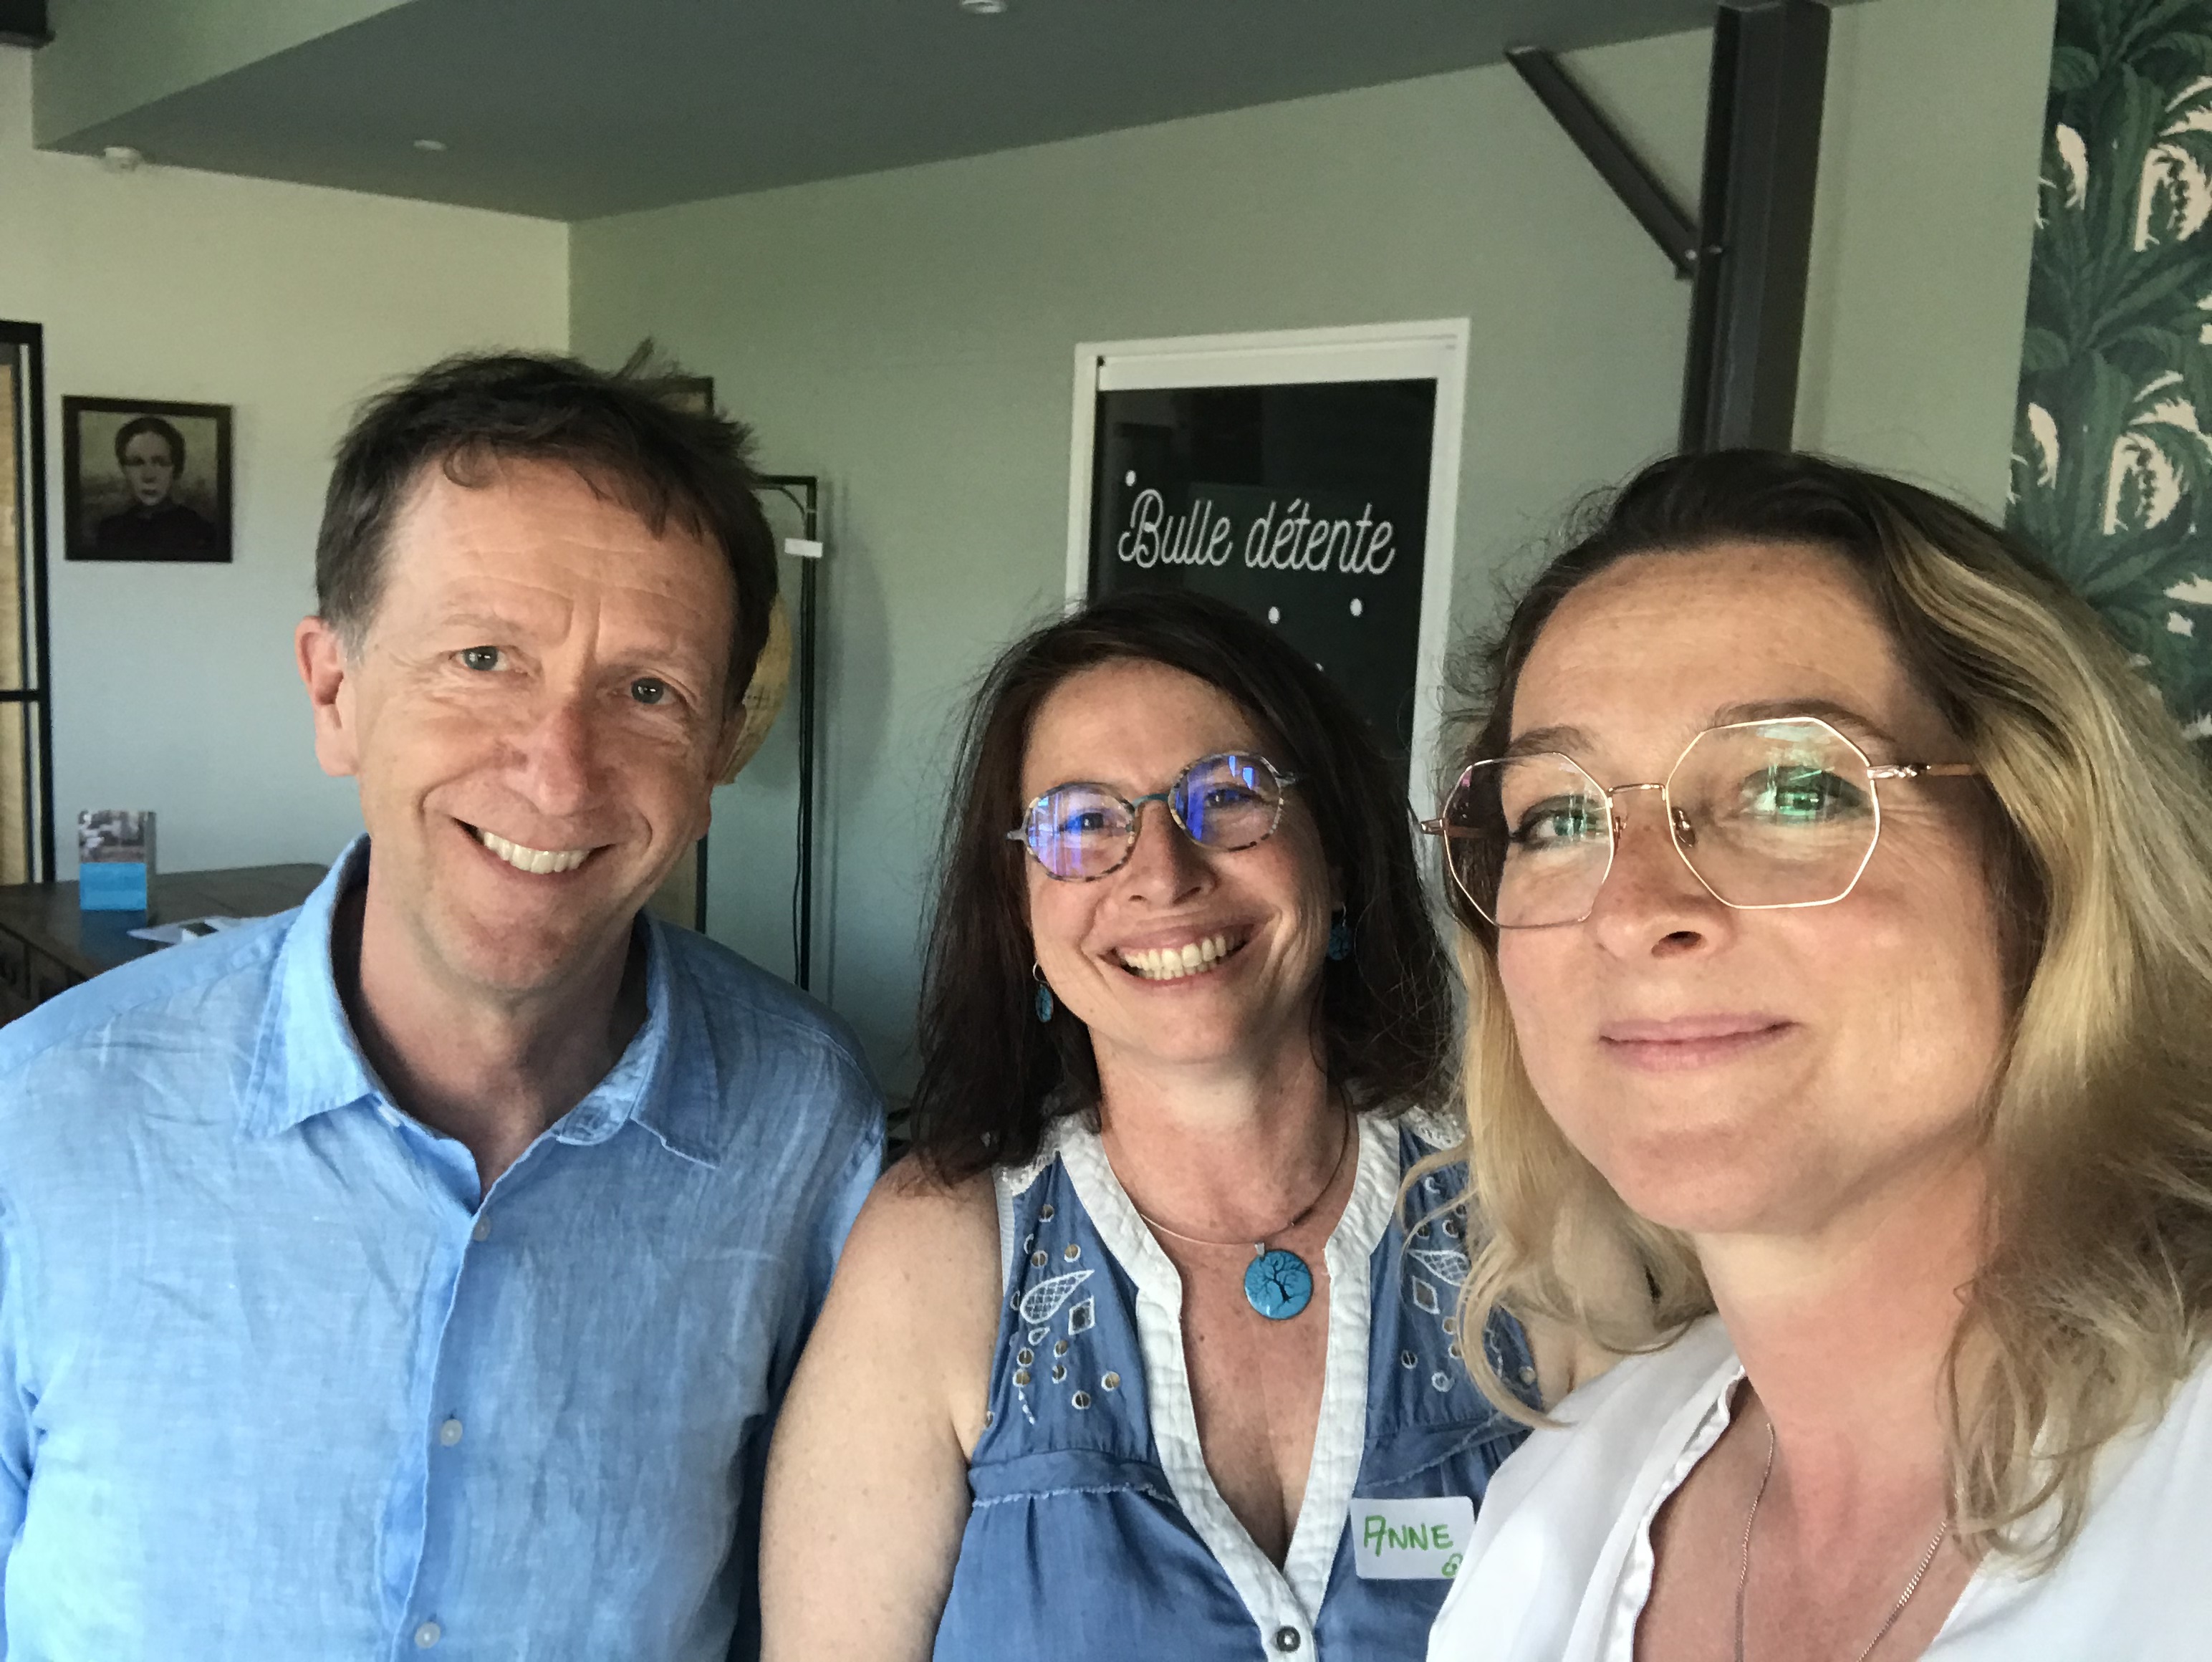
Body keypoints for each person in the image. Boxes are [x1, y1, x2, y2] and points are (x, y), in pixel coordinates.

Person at [0, 350, 883, 1658]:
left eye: (649, 691)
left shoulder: (802, 1121)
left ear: (715, 758)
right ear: (335, 692)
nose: (558, 772)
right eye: (483, 658)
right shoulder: (42, 1113)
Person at [1421, 451, 2212, 1661]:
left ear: (2044, 860)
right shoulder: (1555, 1519)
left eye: (1791, 789)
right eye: (1560, 818)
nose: (1634, 910)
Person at [761, 590, 1601, 1661]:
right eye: (1082, 823)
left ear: (1338, 857)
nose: (1162, 872)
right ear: (1021, 911)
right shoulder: (935, 1253)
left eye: (1231, 796)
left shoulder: (1527, 1216)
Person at [92, 413, 221, 558]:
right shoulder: (110, 531)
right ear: (124, 469)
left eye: (160, 462)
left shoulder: (200, 531)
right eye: (137, 463)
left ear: (177, 468)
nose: (148, 476)